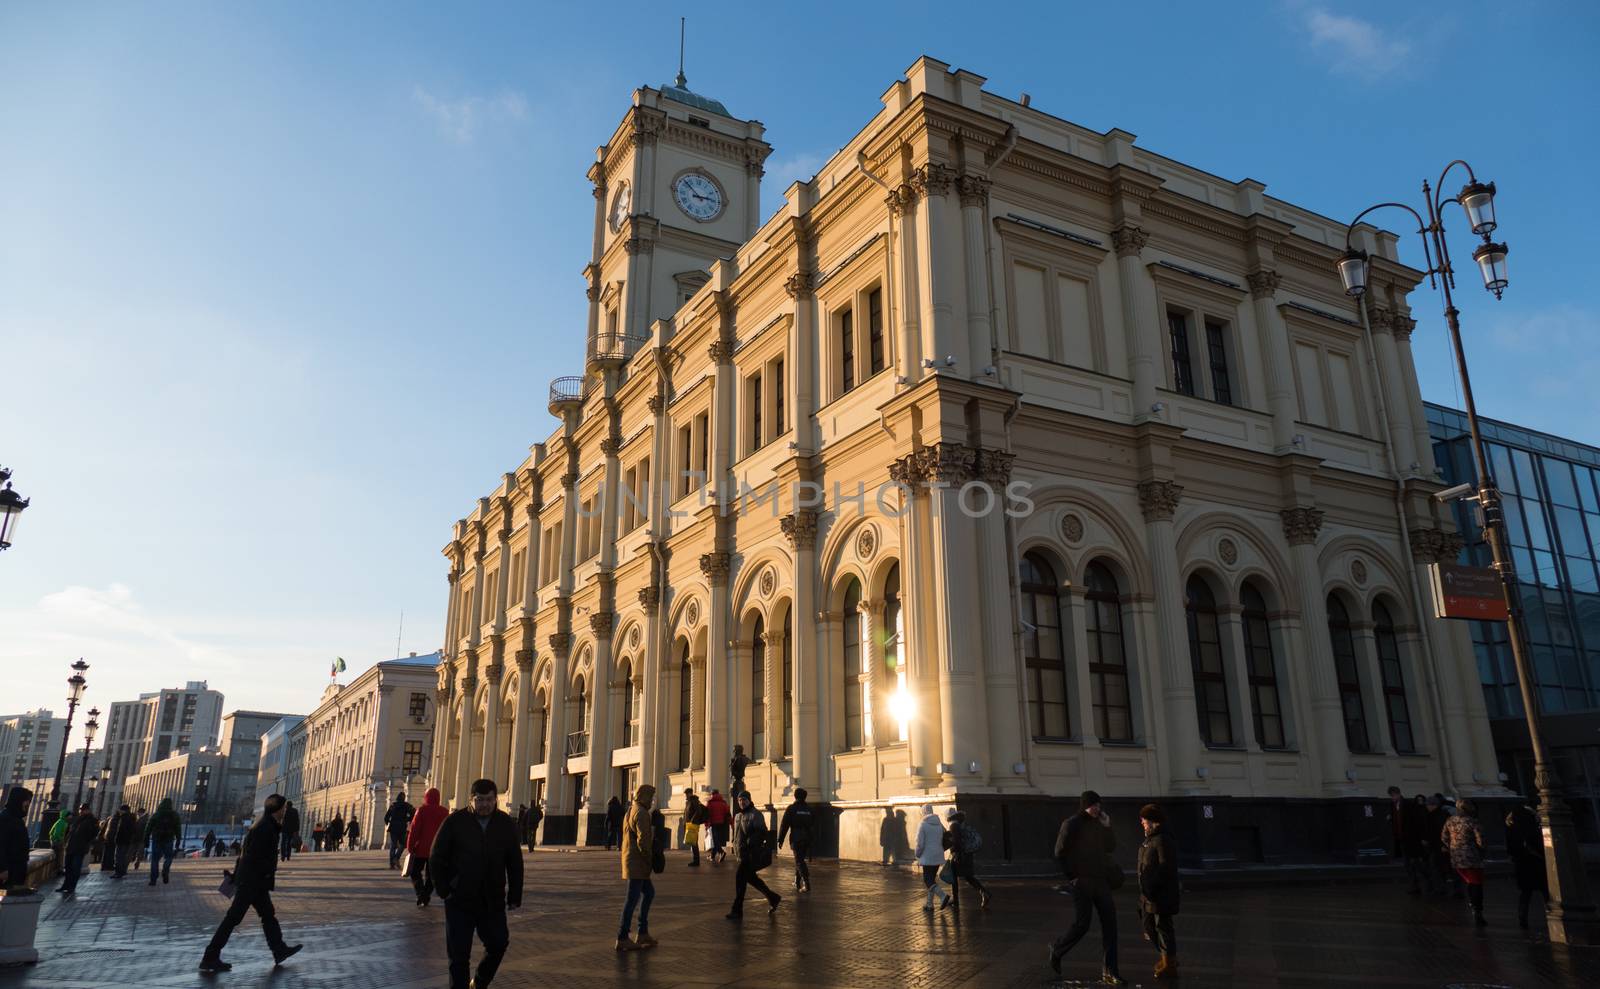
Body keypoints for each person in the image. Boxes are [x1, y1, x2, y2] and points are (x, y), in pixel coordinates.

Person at [428, 778, 523, 989]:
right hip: (459, 900)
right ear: (471, 800)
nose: (485, 804)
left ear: (495, 800)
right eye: (480, 800)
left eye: (489, 800)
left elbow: (515, 862)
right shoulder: (455, 822)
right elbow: (436, 857)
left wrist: (515, 895)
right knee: (459, 955)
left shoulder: (505, 824)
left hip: (492, 899)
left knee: (498, 943)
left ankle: (479, 982)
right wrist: (444, 889)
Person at [199, 793, 303, 973]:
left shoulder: (264, 825)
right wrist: (256, 874)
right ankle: (210, 956)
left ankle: (279, 950)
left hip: (254, 881)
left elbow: (245, 855)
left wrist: (239, 875)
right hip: (253, 881)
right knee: (234, 918)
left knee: (267, 915)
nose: (285, 811)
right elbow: (253, 856)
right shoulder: (265, 828)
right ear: (277, 809)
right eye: (283, 808)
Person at [1050, 790, 1124, 985]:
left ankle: (1110, 971)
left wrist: (1107, 826)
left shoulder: (1100, 824)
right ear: (1084, 805)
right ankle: (1057, 950)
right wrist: (1073, 878)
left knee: (1111, 924)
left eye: (1099, 805)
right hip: (1082, 883)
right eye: (1093, 805)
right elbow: (1059, 852)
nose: (1097, 809)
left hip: (1101, 881)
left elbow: (1111, 847)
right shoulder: (1071, 824)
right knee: (1082, 925)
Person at [1136, 804, 1180, 980]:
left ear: (1153, 821)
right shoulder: (1149, 839)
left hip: (1160, 894)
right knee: (1148, 926)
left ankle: (1169, 963)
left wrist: (1152, 885)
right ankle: (1168, 958)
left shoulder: (1162, 839)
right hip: (1147, 894)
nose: (1142, 823)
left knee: (1163, 928)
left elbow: (1166, 867)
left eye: (1144, 820)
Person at [615, 784, 659, 951]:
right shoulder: (642, 814)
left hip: (631, 860)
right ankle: (622, 936)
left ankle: (642, 932)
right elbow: (643, 840)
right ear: (645, 796)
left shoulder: (631, 810)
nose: (652, 800)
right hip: (637, 862)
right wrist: (649, 859)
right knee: (632, 900)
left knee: (648, 893)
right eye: (651, 797)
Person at [727, 791, 780, 919]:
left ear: (749, 800)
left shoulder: (756, 814)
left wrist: (751, 843)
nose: (741, 802)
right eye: (739, 800)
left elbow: (761, 832)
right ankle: (773, 898)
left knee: (740, 879)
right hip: (742, 854)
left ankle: (737, 910)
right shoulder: (738, 816)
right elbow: (737, 835)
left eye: (744, 799)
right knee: (751, 879)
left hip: (751, 854)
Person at [1443, 797, 1488, 927]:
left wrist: (1453, 848)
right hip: (1472, 857)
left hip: (1456, 857)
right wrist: (1481, 851)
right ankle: (1477, 910)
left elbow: (1444, 837)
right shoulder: (1472, 821)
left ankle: (1473, 906)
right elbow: (1481, 841)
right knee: (1476, 884)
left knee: (1470, 882)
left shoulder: (1450, 821)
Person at [1506, 798, 1549, 930]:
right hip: (1537, 863)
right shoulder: (1534, 829)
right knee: (1546, 892)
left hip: (1521, 864)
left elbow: (1510, 849)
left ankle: (1522, 917)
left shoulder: (1511, 830)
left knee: (1525, 893)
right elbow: (1542, 846)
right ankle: (1552, 915)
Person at [407, 787, 448, 907]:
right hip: (437, 850)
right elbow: (447, 832)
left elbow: (414, 830)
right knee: (432, 875)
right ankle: (425, 894)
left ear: (426, 797)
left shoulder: (421, 810)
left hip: (420, 849)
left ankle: (420, 892)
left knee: (415, 872)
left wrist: (410, 846)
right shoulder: (445, 812)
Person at [943, 808, 991, 909]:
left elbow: (956, 842)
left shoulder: (953, 825)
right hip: (966, 854)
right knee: (968, 876)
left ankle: (956, 901)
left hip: (959, 855)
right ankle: (984, 892)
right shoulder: (960, 823)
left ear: (947, 817)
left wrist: (954, 852)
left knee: (954, 879)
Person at [776, 788, 816, 893]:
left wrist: (780, 839)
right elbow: (814, 825)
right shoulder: (809, 809)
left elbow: (784, 825)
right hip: (807, 839)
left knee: (799, 861)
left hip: (796, 839)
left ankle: (807, 884)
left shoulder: (792, 809)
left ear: (795, 796)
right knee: (800, 860)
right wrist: (812, 839)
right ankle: (797, 882)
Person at [914, 804, 951, 911]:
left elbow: (920, 843)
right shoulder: (939, 823)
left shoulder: (923, 824)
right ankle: (929, 904)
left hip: (927, 856)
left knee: (927, 880)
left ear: (923, 812)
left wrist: (918, 854)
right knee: (932, 879)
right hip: (938, 854)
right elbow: (945, 835)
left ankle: (943, 896)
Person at [58, 804, 99, 897]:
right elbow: (69, 831)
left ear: (88, 810)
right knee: (68, 867)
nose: (81, 811)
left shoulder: (92, 820)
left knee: (75, 868)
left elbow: (93, 833)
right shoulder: (77, 819)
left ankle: (71, 887)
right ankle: (65, 885)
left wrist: (86, 841)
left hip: (80, 847)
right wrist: (66, 841)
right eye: (80, 809)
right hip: (71, 846)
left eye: (83, 810)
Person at [0, 786, 34, 890]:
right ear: (18, 800)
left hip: (15, 871)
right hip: (8, 872)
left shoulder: (16, 819)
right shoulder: (5, 819)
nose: (28, 804)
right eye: (26, 800)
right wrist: (2, 869)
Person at [145, 798, 182, 885]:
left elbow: (148, 827)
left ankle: (153, 879)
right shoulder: (175, 815)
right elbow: (178, 829)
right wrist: (178, 840)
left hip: (157, 839)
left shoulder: (156, 814)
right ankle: (165, 869)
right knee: (169, 857)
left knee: (155, 860)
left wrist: (146, 838)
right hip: (169, 839)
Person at [385, 794, 414, 869]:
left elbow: (386, 817)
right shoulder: (406, 805)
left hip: (393, 827)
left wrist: (388, 822)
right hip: (402, 827)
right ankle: (396, 858)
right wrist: (408, 819)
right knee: (403, 844)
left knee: (393, 845)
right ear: (404, 798)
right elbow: (413, 813)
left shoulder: (393, 805)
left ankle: (392, 863)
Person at [111, 804, 140, 878]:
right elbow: (134, 830)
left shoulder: (123, 818)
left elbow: (120, 830)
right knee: (123, 857)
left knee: (118, 857)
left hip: (121, 840)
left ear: (123, 810)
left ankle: (118, 872)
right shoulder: (132, 818)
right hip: (127, 841)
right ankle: (122, 871)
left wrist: (117, 838)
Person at [705, 789, 731, 864]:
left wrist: (707, 825)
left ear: (712, 794)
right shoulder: (723, 802)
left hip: (713, 824)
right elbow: (728, 813)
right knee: (717, 840)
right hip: (722, 824)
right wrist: (731, 823)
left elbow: (707, 815)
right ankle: (712, 856)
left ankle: (721, 852)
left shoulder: (710, 803)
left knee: (715, 841)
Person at [682, 789, 707, 867]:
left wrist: (692, 820)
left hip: (693, 825)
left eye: (687, 793)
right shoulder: (688, 802)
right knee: (693, 842)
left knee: (694, 842)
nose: (686, 795)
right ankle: (695, 860)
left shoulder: (694, 801)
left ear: (690, 793)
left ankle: (696, 861)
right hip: (689, 824)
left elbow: (698, 811)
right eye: (685, 794)